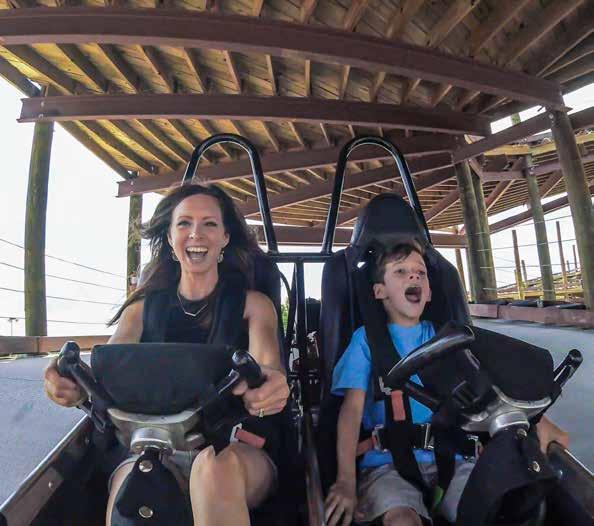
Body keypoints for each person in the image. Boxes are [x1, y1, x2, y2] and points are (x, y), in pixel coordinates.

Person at [44, 184, 290, 526]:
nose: (196, 233)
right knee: (134, 486)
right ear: (171, 238)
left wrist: (271, 387)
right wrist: (67, 382)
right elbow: (105, 375)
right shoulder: (141, 311)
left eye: (209, 224)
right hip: (150, 445)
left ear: (225, 237)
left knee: (213, 469)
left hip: (232, 445)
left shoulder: (254, 306)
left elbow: (267, 367)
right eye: (184, 223)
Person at [324, 242, 569, 526]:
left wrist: (538, 420)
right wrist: (345, 480)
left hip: (454, 458)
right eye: (400, 271)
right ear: (380, 291)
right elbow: (351, 411)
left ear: (428, 293)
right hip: (387, 463)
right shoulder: (365, 340)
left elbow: (492, 388)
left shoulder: (450, 337)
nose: (413, 276)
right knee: (402, 520)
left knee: (487, 511)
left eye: (420, 272)